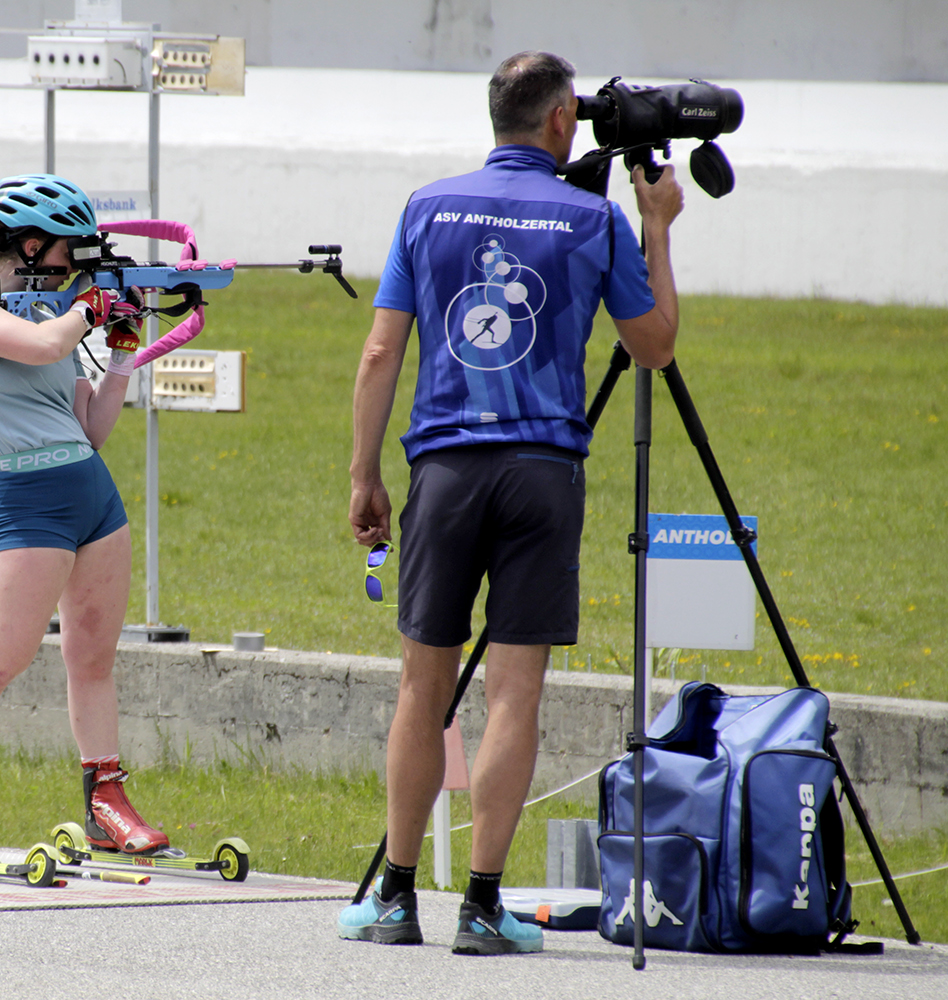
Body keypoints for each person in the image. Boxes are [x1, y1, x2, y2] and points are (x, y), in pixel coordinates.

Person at [338, 52, 684, 953]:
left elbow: (379, 356)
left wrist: (363, 473)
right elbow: (652, 347)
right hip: (542, 470)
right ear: (563, 117)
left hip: (444, 470)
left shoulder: (426, 206)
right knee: (515, 694)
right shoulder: (592, 215)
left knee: (424, 688)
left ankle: (396, 899)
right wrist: (658, 227)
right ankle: (484, 909)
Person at [0, 173, 170, 859]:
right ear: (29, 245)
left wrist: (122, 350)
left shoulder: (52, 313)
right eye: (67, 255)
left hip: (91, 492)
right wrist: (93, 306)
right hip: (29, 498)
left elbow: (90, 429)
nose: (72, 270)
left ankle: (106, 803)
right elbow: (44, 348)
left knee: (94, 660)